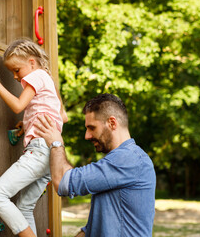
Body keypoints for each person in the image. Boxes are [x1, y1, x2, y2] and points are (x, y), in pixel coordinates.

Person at [35, 93, 156, 237]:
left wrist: (56, 143)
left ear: (112, 123)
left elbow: (62, 181)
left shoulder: (128, 159)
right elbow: (91, 230)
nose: (87, 136)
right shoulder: (120, 161)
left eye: (92, 128)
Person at [0, 39, 68, 237]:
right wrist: (29, 123)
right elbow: (62, 116)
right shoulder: (47, 79)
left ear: (32, 62)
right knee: (24, 207)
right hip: (51, 156)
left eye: (17, 70)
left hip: (39, 151)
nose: (14, 76)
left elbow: (18, 106)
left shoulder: (38, 75)